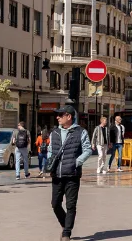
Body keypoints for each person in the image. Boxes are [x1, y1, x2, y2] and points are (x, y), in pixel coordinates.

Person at [47, 103, 94, 241]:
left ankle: (66, 233)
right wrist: (50, 162)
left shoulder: (81, 132)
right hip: (57, 174)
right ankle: (65, 224)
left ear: (69, 116)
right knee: (55, 204)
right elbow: (50, 150)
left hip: (72, 175)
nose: (57, 117)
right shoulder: (54, 132)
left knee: (71, 205)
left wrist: (76, 162)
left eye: (60, 115)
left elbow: (87, 150)